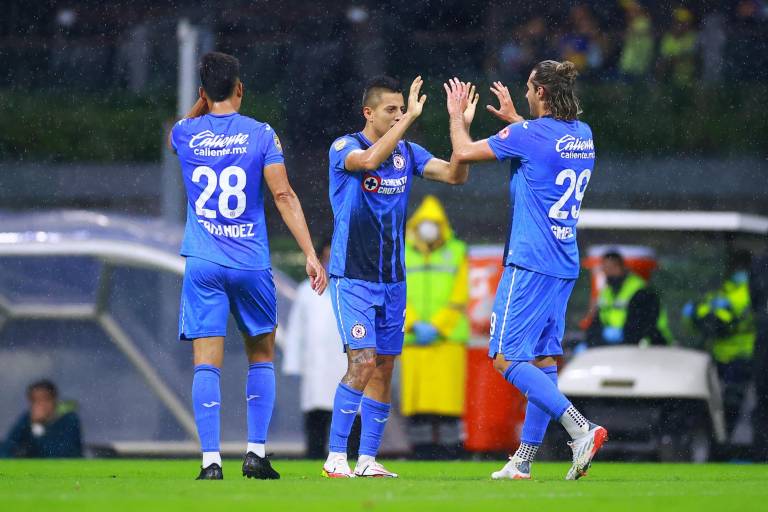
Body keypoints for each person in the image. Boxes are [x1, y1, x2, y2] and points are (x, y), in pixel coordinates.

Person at [444, 60, 605, 481]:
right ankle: (524, 459)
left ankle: (579, 428)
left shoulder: (528, 136)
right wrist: (515, 122)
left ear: (542, 94)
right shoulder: (582, 136)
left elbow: (462, 152)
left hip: (529, 263)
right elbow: (543, 149)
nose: (527, 95)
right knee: (545, 358)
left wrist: (457, 118)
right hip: (564, 262)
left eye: (531, 90)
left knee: (505, 358)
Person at [170, 51, 327, 480]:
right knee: (261, 357)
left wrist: (204, 102)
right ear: (241, 89)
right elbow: (283, 196)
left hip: (204, 263)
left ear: (202, 92)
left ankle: (210, 462)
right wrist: (311, 254)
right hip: (250, 263)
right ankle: (256, 453)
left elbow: (182, 125)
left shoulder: (185, 133)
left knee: (207, 362)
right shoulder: (260, 133)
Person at [322, 75, 478, 478]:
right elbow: (370, 162)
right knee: (362, 361)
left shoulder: (408, 153)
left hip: (393, 279)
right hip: (352, 277)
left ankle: (369, 460)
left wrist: (458, 125)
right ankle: (336, 457)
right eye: (390, 110)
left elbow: (456, 175)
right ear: (368, 112)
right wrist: (408, 118)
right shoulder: (345, 147)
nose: (397, 116)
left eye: (400, 109)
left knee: (385, 367)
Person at [401, 195, 469, 460]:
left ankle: (451, 448)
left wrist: (438, 326)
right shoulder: (403, 253)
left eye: (434, 223)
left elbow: (459, 296)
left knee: (447, 399)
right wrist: (414, 322)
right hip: (415, 339)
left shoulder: (457, 252)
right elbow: (398, 292)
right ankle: (421, 448)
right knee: (419, 400)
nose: (429, 228)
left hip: (447, 339)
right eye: (424, 223)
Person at [282, 238, 361, 459]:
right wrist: (293, 364)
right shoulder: (306, 291)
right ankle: (314, 455)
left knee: (351, 412)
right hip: (316, 364)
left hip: (346, 363)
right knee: (317, 413)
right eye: (326, 258)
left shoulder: (355, 289)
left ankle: (351, 457)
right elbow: (296, 330)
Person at [683, 252, 755, 437]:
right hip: (719, 356)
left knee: (734, 402)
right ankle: (722, 440)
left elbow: (726, 322)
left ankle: (731, 442)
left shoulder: (751, 290)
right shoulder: (724, 290)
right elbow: (705, 317)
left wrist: (712, 314)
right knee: (719, 403)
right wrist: (699, 314)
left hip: (741, 357)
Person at [586, 251, 673, 347]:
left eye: (612, 268)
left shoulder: (641, 291)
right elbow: (596, 323)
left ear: (622, 267)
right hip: (619, 345)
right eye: (605, 269)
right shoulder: (606, 292)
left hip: (651, 344)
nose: (608, 273)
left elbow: (639, 328)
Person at [0, 380, 82, 458]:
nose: (40, 404)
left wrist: (37, 426)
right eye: (35, 400)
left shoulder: (69, 419)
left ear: (54, 400)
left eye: (45, 399)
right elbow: (8, 447)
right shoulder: (27, 418)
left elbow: (60, 454)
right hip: (32, 470)